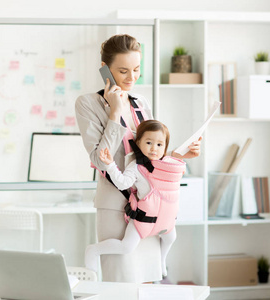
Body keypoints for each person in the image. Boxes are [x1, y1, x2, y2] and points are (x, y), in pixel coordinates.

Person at [75, 34, 201, 283]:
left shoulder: (141, 103)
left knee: (147, 281)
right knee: (120, 281)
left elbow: (150, 155)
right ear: (105, 70)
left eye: (136, 70)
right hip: (115, 205)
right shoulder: (87, 104)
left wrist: (177, 154)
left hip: (146, 204)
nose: (131, 78)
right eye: (123, 71)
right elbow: (101, 160)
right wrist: (115, 112)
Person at [85, 120, 186, 277]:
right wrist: (110, 164)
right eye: (148, 142)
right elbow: (122, 182)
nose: (154, 148)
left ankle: (162, 261)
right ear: (138, 143)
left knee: (171, 237)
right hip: (143, 220)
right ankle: (94, 250)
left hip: (164, 220)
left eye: (160, 145)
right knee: (127, 247)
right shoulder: (137, 166)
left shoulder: (165, 164)